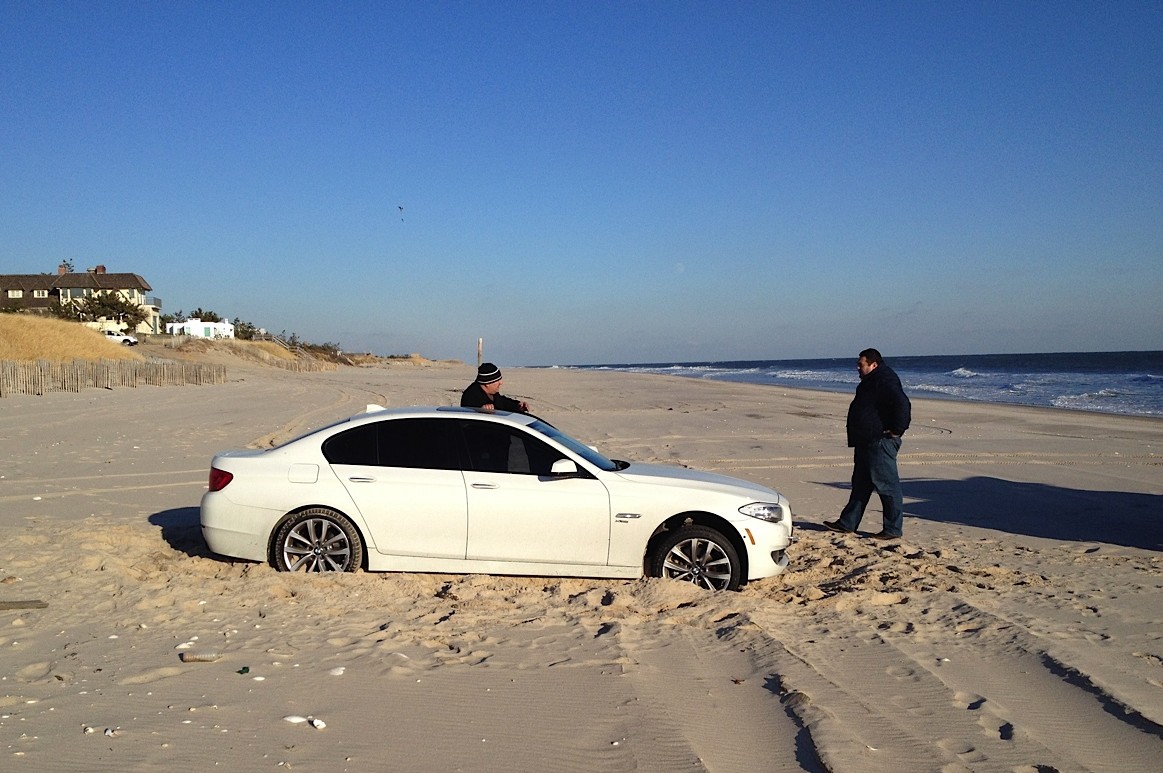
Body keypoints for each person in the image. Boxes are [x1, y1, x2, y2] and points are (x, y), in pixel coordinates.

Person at [824, 348, 911, 540]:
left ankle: (893, 529)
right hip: (866, 440)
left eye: (860, 364)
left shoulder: (884, 379)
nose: (857, 367)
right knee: (861, 485)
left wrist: (897, 430)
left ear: (874, 364)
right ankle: (847, 523)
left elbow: (902, 404)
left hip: (880, 441)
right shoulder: (871, 381)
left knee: (887, 487)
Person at [460, 362, 529, 413]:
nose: (501, 383)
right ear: (487, 383)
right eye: (497, 380)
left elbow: (503, 402)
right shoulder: (470, 396)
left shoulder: (492, 393)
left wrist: (518, 405)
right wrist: (480, 410)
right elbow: (468, 418)